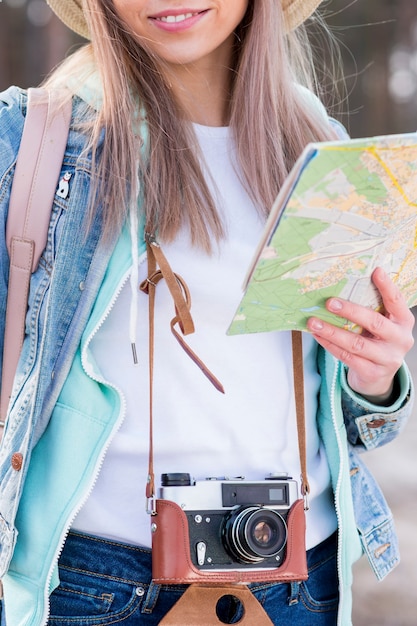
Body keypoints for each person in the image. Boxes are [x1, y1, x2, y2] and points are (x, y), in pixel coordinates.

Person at [0, 1, 414, 625]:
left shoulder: (317, 140)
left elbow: (349, 418)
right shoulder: (32, 143)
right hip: (98, 588)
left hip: (302, 580)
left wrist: (374, 377)